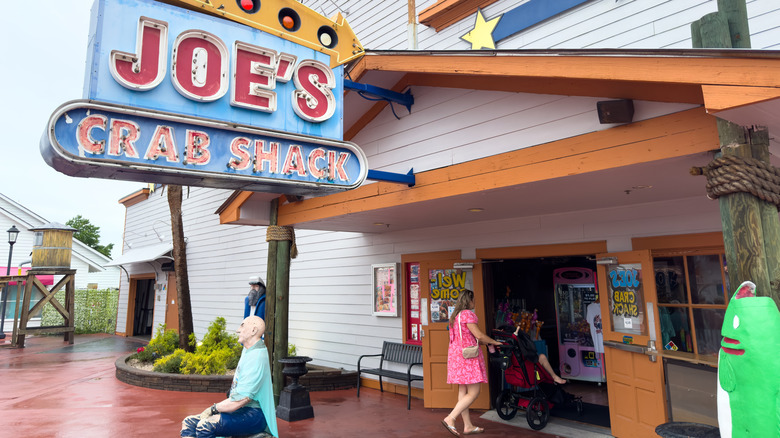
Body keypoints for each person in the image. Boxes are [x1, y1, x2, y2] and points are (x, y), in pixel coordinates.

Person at [181, 316, 278, 438]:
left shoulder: (257, 357)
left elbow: (240, 401)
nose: (238, 330)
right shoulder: (248, 348)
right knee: (188, 422)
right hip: (241, 409)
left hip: (254, 414)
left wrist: (213, 409)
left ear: (253, 331)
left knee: (205, 425)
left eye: (242, 326)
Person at [441, 289, 503, 437]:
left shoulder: (454, 316)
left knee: (463, 392)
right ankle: (450, 418)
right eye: (473, 299)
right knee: (474, 392)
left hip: (456, 357)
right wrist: (495, 342)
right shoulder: (468, 314)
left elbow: (465, 338)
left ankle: (468, 426)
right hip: (467, 359)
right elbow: (479, 335)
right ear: (469, 300)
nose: (474, 301)